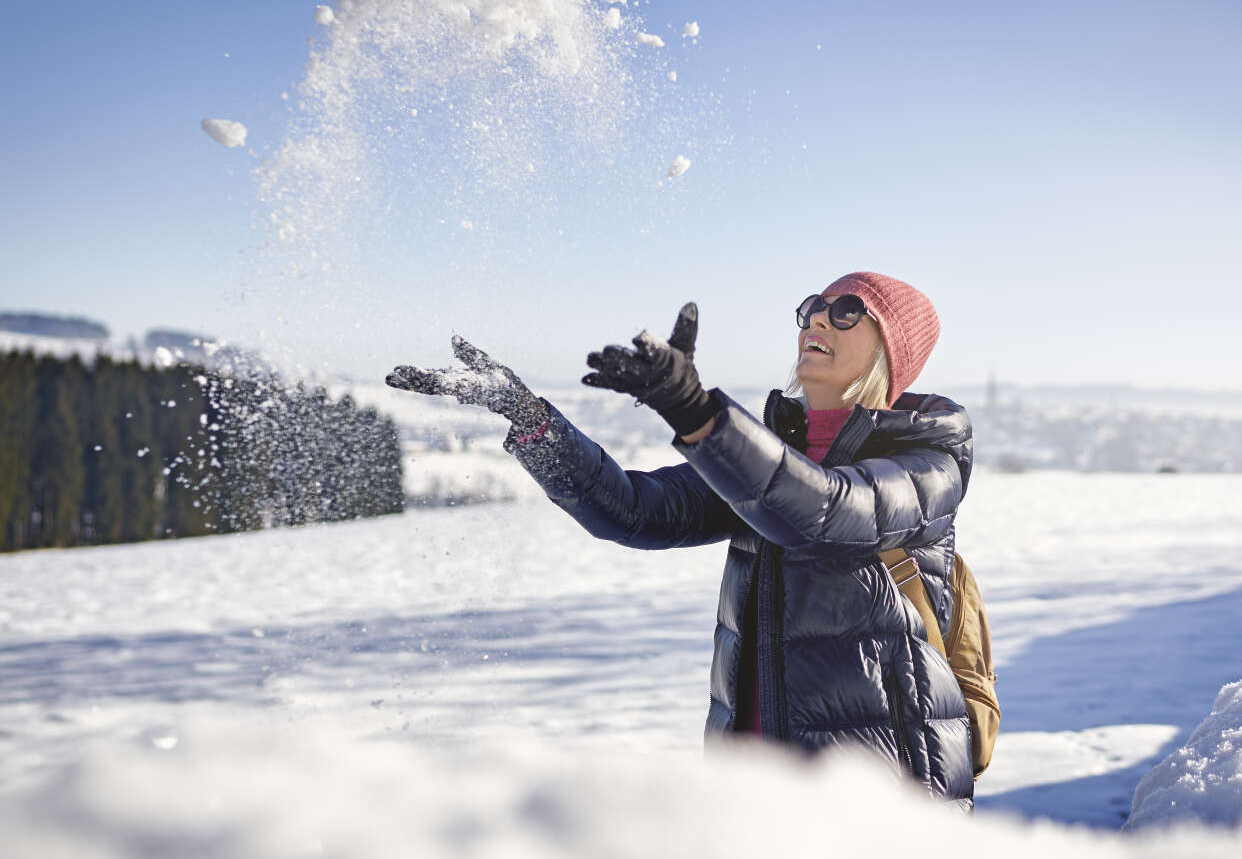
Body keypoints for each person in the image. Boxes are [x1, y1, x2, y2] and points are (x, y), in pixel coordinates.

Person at [387, 271, 976, 806]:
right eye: (815, 306)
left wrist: (696, 413)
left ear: (890, 348)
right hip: (751, 772)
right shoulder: (773, 454)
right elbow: (635, 511)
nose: (819, 318)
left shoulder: (928, 454)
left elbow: (821, 511)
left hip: (882, 784)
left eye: (848, 310)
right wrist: (530, 418)